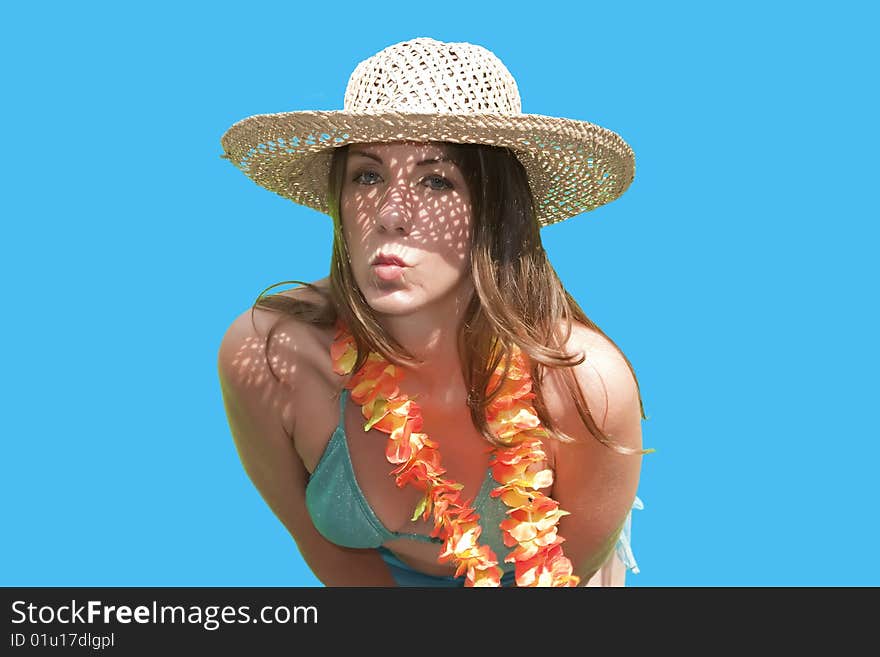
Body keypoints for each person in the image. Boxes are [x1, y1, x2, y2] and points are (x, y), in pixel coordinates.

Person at [217, 37, 651, 587]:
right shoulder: (269, 356)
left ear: (497, 210)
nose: (391, 214)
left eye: (437, 180)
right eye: (368, 175)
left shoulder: (586, 385)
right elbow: (324, 550)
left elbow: (569, 580)